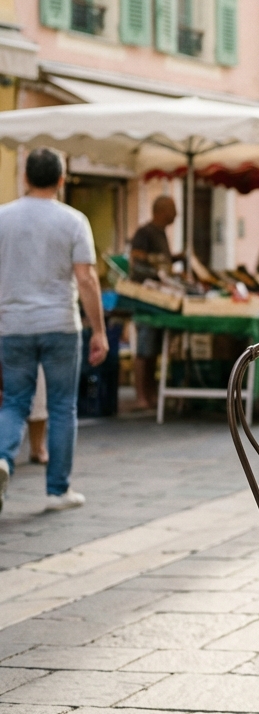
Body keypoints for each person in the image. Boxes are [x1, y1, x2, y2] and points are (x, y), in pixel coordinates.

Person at [0, 149, 108, 514]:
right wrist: (99, 331)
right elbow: (86, 279)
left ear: (25, 178)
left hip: (12, 325)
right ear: (62, 180)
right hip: (60, 324)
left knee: (14, 401)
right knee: (62, 406)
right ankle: (57, 490)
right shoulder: (74, 220)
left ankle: (2, 460)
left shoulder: (2, 218)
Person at [129, 195, 178, 411]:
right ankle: (141, 396)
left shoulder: (161, 234)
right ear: (162, 210)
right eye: (173, 208)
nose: (176, 213)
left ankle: (150, 394)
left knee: (154, 350)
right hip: (146, 299)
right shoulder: (144, 233)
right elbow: (137, 261)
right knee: (144, 348)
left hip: (161, 299)